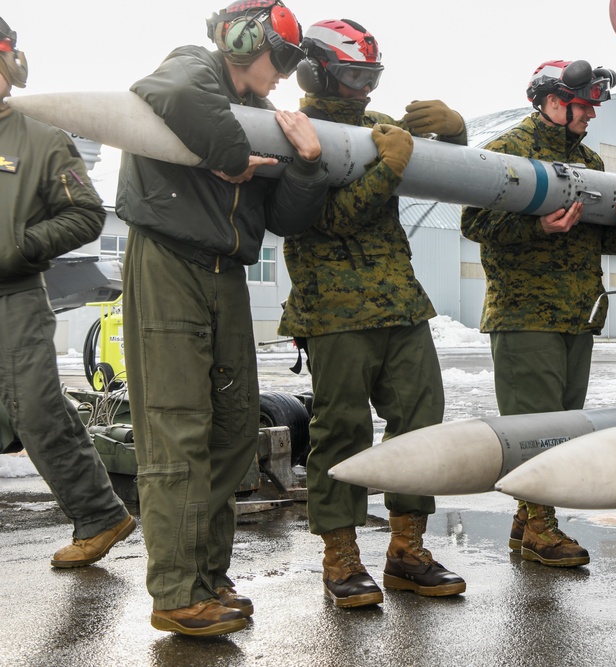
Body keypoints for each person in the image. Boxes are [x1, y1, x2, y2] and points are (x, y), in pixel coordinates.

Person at [117, 0, 328, 637]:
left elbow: (286, 218)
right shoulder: (191, 69)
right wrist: (235, 154)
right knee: (177, 427)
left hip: (225, 273)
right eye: (283, 57)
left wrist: (308, 166)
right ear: (242, 39)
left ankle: (208, 576)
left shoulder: (265, 118)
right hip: (170, 262)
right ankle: (177, 592)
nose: (287, 74)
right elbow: (173, 92)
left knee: (232, 430)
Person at [279, 18, 467, 609]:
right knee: (342, 433)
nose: (364, 89)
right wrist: (387, 170)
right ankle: (341, 558)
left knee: (421, 424)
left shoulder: (373, 129)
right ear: (318, 70)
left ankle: (407, 550)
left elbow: (446, 176)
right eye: (354, 75)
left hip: (400, 304)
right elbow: (324, 219)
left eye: (371, 76)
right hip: (334, 312)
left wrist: (455, 138)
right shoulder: (292, 131)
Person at [461, 60, 616, 567]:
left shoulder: (588, 160)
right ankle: (542, 529)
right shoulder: (505, 151)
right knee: (535, 427)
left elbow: (606, 237)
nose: (591, 115)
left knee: (562, 426)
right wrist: (537, 228)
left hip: (577, 314)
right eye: (584, 105)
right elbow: (474, 222)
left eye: (592, 107)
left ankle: (527, 522)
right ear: (551, 101)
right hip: (525, 315)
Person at [0, 15, 136, 571]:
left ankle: (100, 514)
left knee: (34, 409)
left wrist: (20, 245)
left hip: (13, 296)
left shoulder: (40, 140)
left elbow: (84, 214)